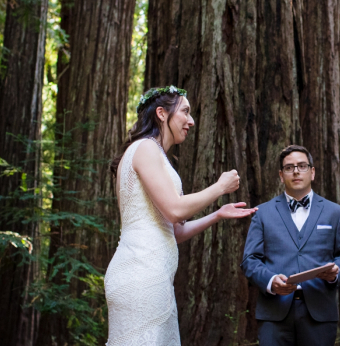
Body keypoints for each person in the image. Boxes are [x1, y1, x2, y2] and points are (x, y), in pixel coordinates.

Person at [105, 86, 256, 345]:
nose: (191, 121)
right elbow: (175, 209)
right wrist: (220, 187)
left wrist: (216, 215)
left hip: (154, 275)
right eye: (185, 112)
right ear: (162, 113)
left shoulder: (154, 153)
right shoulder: (145, 148)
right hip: (140, 274)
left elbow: (173, 229)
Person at [241, 145, 340, 346]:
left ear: (312, 172)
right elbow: (250, 260)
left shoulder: (334, 212)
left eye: (302, 166)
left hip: (320, 313)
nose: (295, 171)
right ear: (280, 175)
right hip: (274, 314)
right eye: (289, 167)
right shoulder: (263, 213)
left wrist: (337, 272)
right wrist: (270, 281)